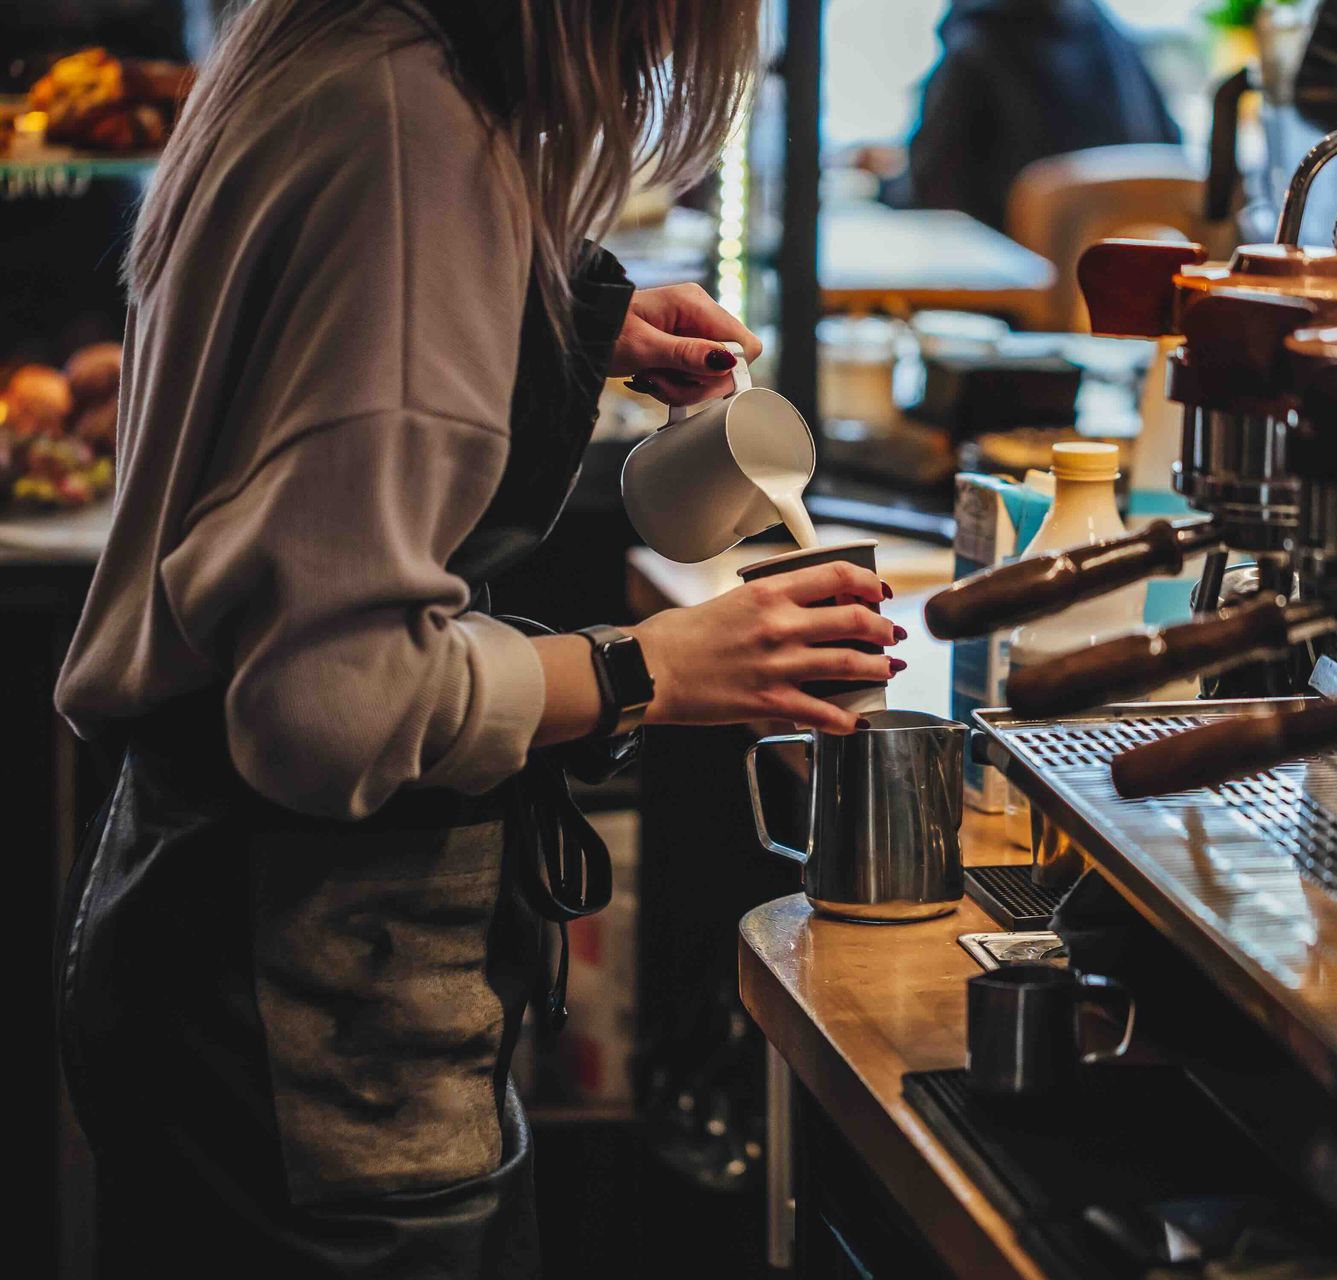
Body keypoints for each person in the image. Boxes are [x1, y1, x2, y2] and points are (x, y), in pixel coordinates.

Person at [52, 1, 901, 1273]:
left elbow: (313, 385)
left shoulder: (331, 52)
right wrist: (652, 667)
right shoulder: (414, 129)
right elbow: (332, 702)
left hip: (193, 929)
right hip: (307, 1009)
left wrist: (551, 315)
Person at [878, 0, 1182, 231]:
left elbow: (933, 191)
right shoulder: (1114, 41)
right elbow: (1170, 154)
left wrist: (880, 186)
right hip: (1130, 291)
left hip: (1015, 295)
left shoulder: (976, 42)